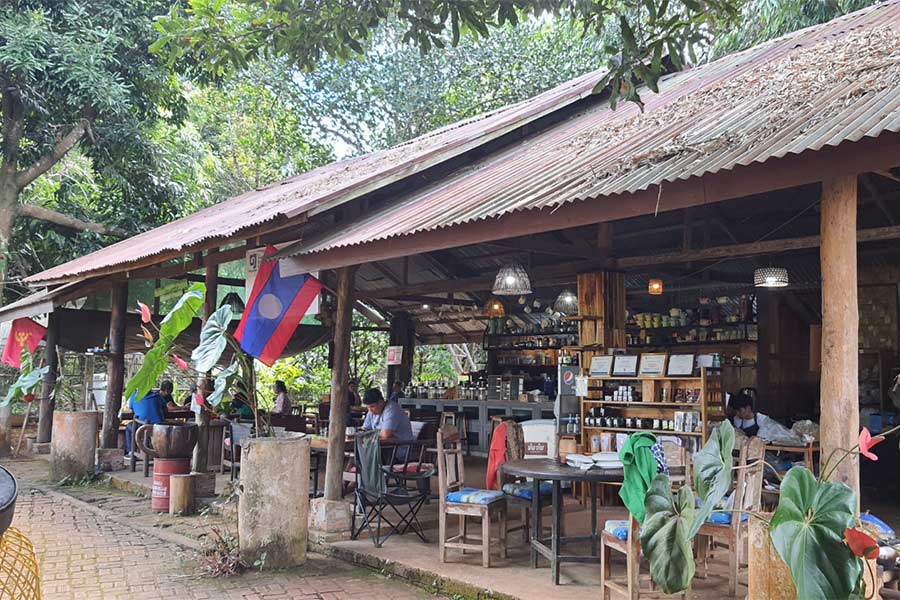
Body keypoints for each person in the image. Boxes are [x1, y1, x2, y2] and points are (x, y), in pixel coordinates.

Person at [124, 380, 173, 457]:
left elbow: (132, 410)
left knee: (129, 427)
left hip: (142, 427)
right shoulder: (157, 396)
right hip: (159, 427)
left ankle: (131, 451)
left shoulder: (134, 395)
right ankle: (165, 451)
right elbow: (165, 410)